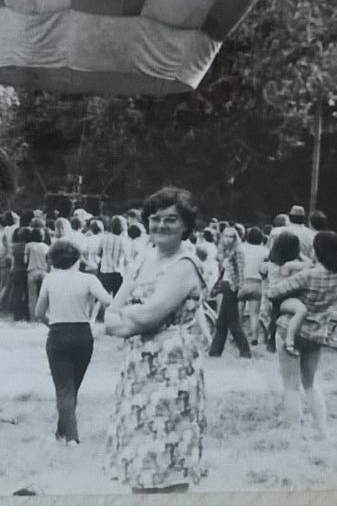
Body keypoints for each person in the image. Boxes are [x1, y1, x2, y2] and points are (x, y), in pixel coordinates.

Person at [103, 187, 210, 494]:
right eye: (155, 219)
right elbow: (113, 310)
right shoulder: (143, 258)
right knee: (140, 451)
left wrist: (124, 320)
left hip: (172, 372)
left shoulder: (185, 264)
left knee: (168, 453)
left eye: (171, 220)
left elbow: (149, 315)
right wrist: (124, 319)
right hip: (139, 368)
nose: (161, 225)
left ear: (186, 226)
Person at [263, 230, 337, 439]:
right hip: (318, 333)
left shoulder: (308, 275)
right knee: (310, 384)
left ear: (316, 252)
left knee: (291, 387)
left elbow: (272, 293)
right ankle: (323, 431)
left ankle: (294, 434)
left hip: (290, 330)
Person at [35, 239, 113, 445]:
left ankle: (69, 435)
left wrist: (51, 324)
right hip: (82, 333)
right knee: (73, 386)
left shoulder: (49, 279)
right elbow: (108, 301)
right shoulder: (88, 280)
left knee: (64, 387)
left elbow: (38, 312)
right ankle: (65, 433)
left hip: (58, 332)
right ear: (77, 258)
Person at [208, 226, 252, 358]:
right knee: (224, 321)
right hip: (225, 284)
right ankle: (216, 350)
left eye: (230, 236)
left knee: (230, 322)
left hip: (232, 286)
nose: (227, 239)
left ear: (235, 237)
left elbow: (240, 270)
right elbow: (218, 260)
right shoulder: (225, 251)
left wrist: (239, 287)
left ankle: (243, 351)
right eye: (225, 236)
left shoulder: (238, 250)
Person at [263, 232, 310, 356]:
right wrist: (300, 254)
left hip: (274, 295)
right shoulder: (289, 265)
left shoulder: (273, 262)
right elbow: (312, 265)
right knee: (296, 312)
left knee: (275, 318)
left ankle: (272, 343)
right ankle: (287, 341)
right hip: (284, 295)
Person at [239, 227, 269, 343]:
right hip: (256, 283)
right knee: (254, 314)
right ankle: (254, 338)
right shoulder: (264, 251)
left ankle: (236, 336)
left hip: (242, 282)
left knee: (238, 313)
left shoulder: (241, 248)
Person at [96, 216, 132, 300]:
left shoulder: (104, 238)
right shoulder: (125, 241)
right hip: (118, 273)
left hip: (104, 272)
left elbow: (98, 253)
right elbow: (127, 260)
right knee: (117, 299)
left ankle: (103, 312)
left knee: (103, 298)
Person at [25, 228, 51, 322]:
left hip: (32, 271)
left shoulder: (29, 246)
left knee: (32, 297)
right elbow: (49, 261)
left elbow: (25, 260)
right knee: (44, 296)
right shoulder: (46, 247)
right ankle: (44, 316)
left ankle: (33, 318)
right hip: (43, 272)